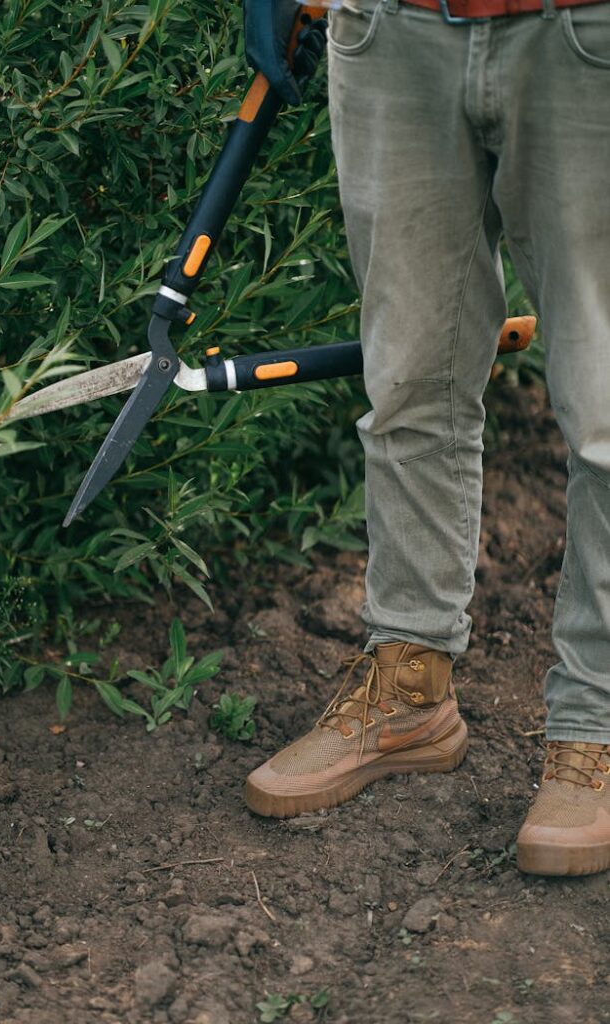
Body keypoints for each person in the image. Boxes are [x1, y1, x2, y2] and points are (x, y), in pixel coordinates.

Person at [242, 0, 610, 877]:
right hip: (390, 29)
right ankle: (408, 686)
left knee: (602, 414)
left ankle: (593, 726)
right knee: (407, 382)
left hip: (579, 32)